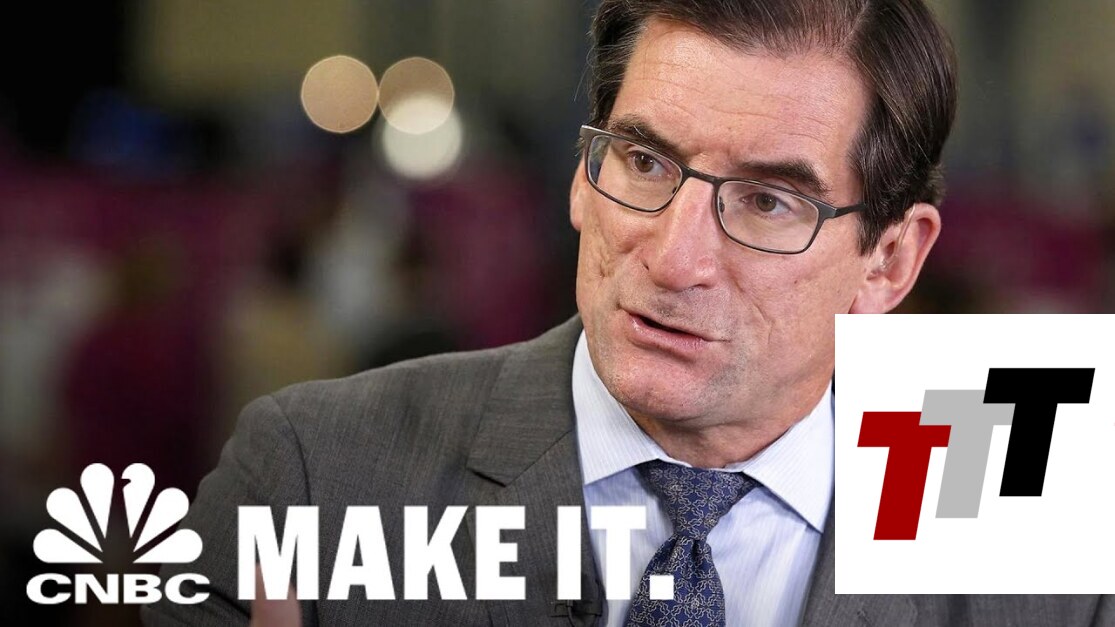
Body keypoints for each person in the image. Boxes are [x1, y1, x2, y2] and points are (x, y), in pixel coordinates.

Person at [145, 0, 1111, 625]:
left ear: (889, 261)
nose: (674, 258)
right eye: (644, 163)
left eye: (768, 201)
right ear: (582, 175)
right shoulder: (315, 475)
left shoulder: (1033, 509)